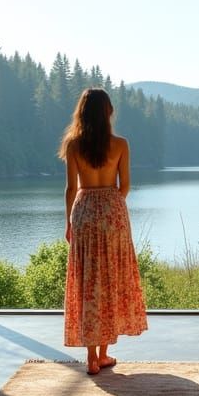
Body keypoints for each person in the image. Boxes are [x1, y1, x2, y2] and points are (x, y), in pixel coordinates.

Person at [59, 88, 148, 374]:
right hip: (113, 211)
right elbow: (126, 185)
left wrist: (69, 223)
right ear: (108, 112)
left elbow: (72, 188)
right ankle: (105, 353)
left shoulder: (73, 145)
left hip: (83, 210)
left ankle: (91, 358)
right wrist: (111, 206)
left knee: (88, 282)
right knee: (111, 280)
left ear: (81, 113)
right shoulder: (121, 144)